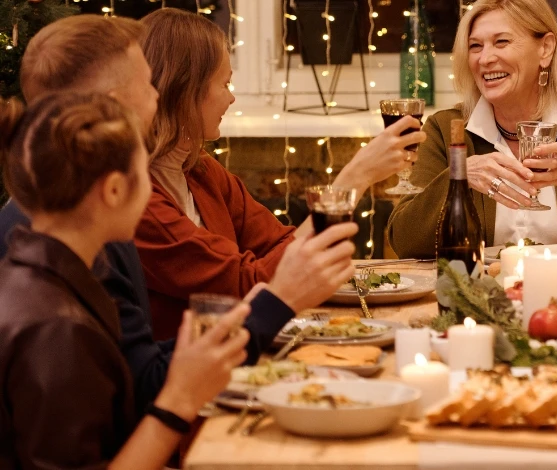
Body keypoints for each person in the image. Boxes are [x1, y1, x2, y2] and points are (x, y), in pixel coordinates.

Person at [1, 14, 355, 415]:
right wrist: (280, 296)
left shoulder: (96, 217)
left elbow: (143, 365)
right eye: (146, 81)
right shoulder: (104, 224)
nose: (156, 93)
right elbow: (144, 394)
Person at [135, 8, 424, 338]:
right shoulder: (140, 202)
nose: (231, 97)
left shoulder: (199, 169)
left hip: (242, 347)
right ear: (185, 90)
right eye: (225, 83)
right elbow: (248, 285)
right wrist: (352, 180)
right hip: (190, 372)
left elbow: (279, 243)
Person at [0, 92, 249, 469]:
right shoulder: (56, 330)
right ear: (115, 190)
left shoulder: (50, 273)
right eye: (144, 174)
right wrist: (180, 397)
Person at [387, 0, 557, 256]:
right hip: (479, 293)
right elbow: (406, 242)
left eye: (501, 42)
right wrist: (460, 178)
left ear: (545, 49)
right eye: (475, 46)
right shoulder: (446, 128)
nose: (485, 58)